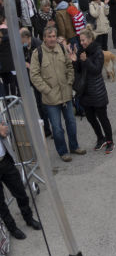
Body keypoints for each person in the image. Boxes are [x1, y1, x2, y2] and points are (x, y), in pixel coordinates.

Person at [29, 27, 86, 162]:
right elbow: (34, 76)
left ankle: (74, 146)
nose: (52, 39)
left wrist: (70, 81)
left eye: (54, 36)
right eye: (49, 36)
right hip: (50, 99)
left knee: (71, 123)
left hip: (66, 94)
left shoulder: (61, 48)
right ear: (44, 38)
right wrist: (47, 90)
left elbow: (69, 66)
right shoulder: (37, 53)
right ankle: (63, 152)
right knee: (57, 128)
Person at [0, 117, 42, 240]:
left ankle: (29, 218)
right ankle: (12, 228)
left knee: (21, 193)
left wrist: (3, 129)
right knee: (0, 203)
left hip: (5, 161)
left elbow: (7, 131)